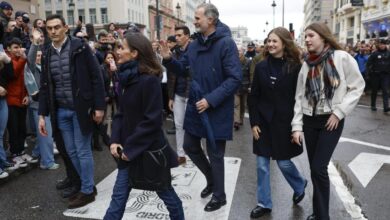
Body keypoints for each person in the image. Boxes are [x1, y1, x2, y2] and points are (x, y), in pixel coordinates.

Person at [161, 3, 242, 212]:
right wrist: (169, 58)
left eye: (197, 18)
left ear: (211, 20)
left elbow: (235, 79)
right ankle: (211, 179)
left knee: (215, 154)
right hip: (196, 106)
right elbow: (182, 69)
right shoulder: (195, 44)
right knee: (189, 146)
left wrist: (211, 100)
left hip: (216, 107)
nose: (194, 21)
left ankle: (219, 196)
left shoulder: (226, 44)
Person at [104, 32, 184, 220]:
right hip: (127, 151)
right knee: (117, 200)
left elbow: (152, 121)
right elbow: (120, 113)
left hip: (149, 151)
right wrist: (115, 140)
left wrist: (129, 148)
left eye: (122, 47)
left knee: (168, 196)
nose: (118, 51)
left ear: (135, 53)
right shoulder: (125, 77)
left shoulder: (149, 80)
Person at [291, 22, 365, 220]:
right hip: (309, 121)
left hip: (331, 120)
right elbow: (299, 97)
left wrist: (339, 112)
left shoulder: (342, 58)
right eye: (305, 36)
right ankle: (318, 212)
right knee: (316, 171)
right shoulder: (306, 63)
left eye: (311, 36)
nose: (306, 39)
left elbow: (357, 86)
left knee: (318, 168)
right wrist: (297, 127)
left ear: (323, 37)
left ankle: (323, 216)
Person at [38, 14, 105, 208]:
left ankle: (87, 190)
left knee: (83, 151)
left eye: (56, 27)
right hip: (60, 110)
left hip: (80, 108)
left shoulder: (80, 47)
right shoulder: (47, 51)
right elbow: (45, 85)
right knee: (71, 151)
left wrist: (100, 106)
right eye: (49, 28)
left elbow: (96, 77)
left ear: (65, 28)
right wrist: (42, 115)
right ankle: (85, 184)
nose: (53, 31)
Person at [247, 27, 307, 219]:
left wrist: (297, 125)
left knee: (283, 163)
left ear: (284, 43)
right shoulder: (261, 66)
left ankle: (299, 184)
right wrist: (254, 122)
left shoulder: (295, 67)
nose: (271, 44)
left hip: (285, 123)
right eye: (269, 41)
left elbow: (300, 98)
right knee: (262, 165)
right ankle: (264, 203)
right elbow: (254, 96)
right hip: (263, 122)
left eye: (275, 41)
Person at [27, 28, 59, 170]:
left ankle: (36, 153)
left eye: (41, 55)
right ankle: (47, 162)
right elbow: (31, 59)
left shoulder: (44, 66)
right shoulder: (32, 68)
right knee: (46, 134)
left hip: (47, 103)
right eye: (37, 56)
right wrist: (35, 42)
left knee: (44, 133)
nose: (38, 57)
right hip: (38, 105)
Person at [5, 37, 37, 167]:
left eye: (19, 47)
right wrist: (23, 58)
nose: (18, 50)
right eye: (15, 47)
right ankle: (15, 154)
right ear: (8, 49)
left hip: (22, 99)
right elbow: (14, 72)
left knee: (22, 128)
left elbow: (25, 81)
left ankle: (22, 152)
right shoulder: (7, 60)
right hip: (11, 100)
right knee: (14, 129)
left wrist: (26, 96)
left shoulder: (20, 60)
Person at [167, 25, 192, 165]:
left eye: (179, 35)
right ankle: (181, 153)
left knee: (193, 124)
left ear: (187, 36)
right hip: (178, 93)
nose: (176, 38)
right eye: (175, 35)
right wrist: (170, 97)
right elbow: (171, 77)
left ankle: (196, 150)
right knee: (178, 124)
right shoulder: (174, 52)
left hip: (191, 93)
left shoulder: (194, 50)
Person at [0, 47, 19, 174]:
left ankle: (2, 161)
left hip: (2, 99)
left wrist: (7, 61)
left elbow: (11, 76)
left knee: (0, 134)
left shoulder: (1, 52)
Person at [366, 39, 390, 112]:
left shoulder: (389, 53)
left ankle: (386, 107)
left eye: (383, 44)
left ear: (385, 45)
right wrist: (369, 72)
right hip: (375, 75)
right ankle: (373, 105)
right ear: (379, 45)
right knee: (374, 91)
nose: (382, 45)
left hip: (385, 75)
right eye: (381, 44)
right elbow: (368, 63)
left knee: (385, 91)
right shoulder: (374, 53)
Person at [234, 46, 250, 131]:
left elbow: (250, 74)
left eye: (239, 51)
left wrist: (250, 85)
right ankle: (236, 121)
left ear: (243, 52)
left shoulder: (248, 61)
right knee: (236, 105)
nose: (238, 52)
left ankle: (241, 118)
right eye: (237, 51)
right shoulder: (233, 61)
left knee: (243, 105)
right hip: (236, 87)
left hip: (245, 87)